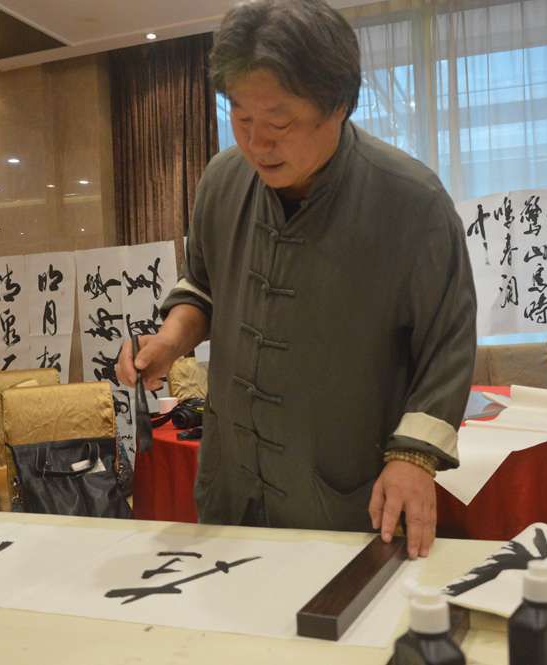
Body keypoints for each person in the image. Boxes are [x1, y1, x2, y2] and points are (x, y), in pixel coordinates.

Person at [118, 0, 476, 559]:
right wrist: (170, 340)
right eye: (241, 118)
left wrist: (414, 457)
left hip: (346, 496)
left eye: (279, 123)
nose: (257, 143)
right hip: (232, 486)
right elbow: (204, 287)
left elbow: (448, 344)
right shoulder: (222, 180)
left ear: (339, 106)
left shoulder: (412, 201)